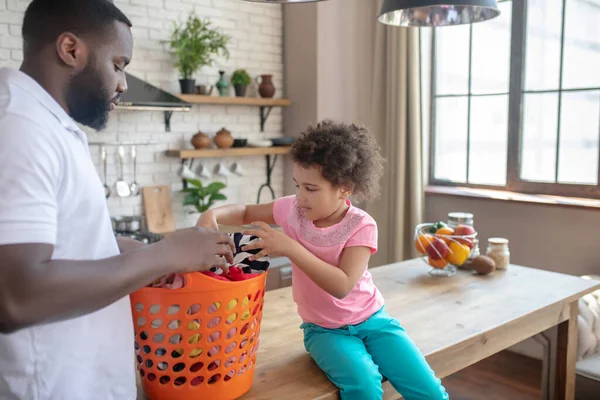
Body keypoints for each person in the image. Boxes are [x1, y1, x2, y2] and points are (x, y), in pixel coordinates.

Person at [0, 1, 234, 399]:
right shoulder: (19, 125)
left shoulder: (46, 123)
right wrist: (163, 256)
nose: (123, 83)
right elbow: (16, 296)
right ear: (71, 49)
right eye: (119, 64)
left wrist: (142, 253)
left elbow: (70, 246)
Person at [197, 120, 449, 400]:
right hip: (325, 332)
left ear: (344, 188)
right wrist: (214, 214)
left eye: (311, 188)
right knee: (365, 386)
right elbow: (245, 212)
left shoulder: (361, 226)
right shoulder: (292, 210)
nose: (300, 197)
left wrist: (290, 247)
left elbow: (342, 285)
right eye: (298, 186)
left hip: (375, 321)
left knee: (430, 391)